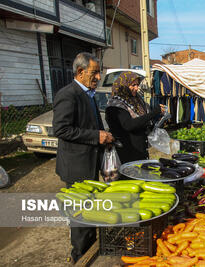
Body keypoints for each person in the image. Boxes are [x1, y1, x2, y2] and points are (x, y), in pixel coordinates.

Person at [53, 52, 114, 263]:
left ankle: (88, 250)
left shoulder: (88, 94)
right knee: (79, 217)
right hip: (76, 167)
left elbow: (90, 124)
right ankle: (79, 257)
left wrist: (104, 137)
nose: (98, 77)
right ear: (80, 72)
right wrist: (95, 136)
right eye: (94, 72)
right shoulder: (68, 94)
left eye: (100, 72)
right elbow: (61, 129)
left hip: (89, 164)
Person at [105, 71, 166, 164]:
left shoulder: (137, 100)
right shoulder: (116, 104)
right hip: (126, 152)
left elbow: (144, 120)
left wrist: (157, 118)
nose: (137, 88)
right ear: (124, 85)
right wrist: (153, 113)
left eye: (137, 85)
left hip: (140, 150)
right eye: (133, 85)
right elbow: (128, 125)